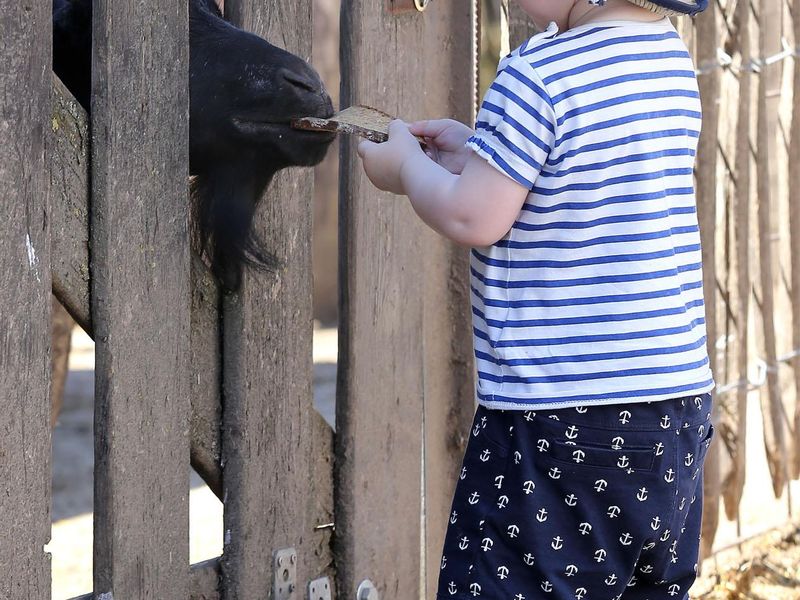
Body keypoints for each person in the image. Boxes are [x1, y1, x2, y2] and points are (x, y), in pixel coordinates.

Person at [357, 0, 715, 597]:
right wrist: (480, 154)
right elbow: (572, 177)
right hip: (672, 413)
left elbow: (473, 214)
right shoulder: (668, 59)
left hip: (559, 418)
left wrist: (405, 170)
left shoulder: (538, 73)